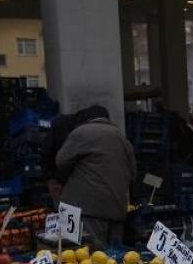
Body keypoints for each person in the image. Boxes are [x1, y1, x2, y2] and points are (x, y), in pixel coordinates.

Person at [55, 105, 136, 249]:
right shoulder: (122, 138)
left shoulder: (81, 132)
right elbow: (133, 174)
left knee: (89, 258)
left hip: (87, 208)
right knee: (114, 260)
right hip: (117, 209)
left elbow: (61, 161)